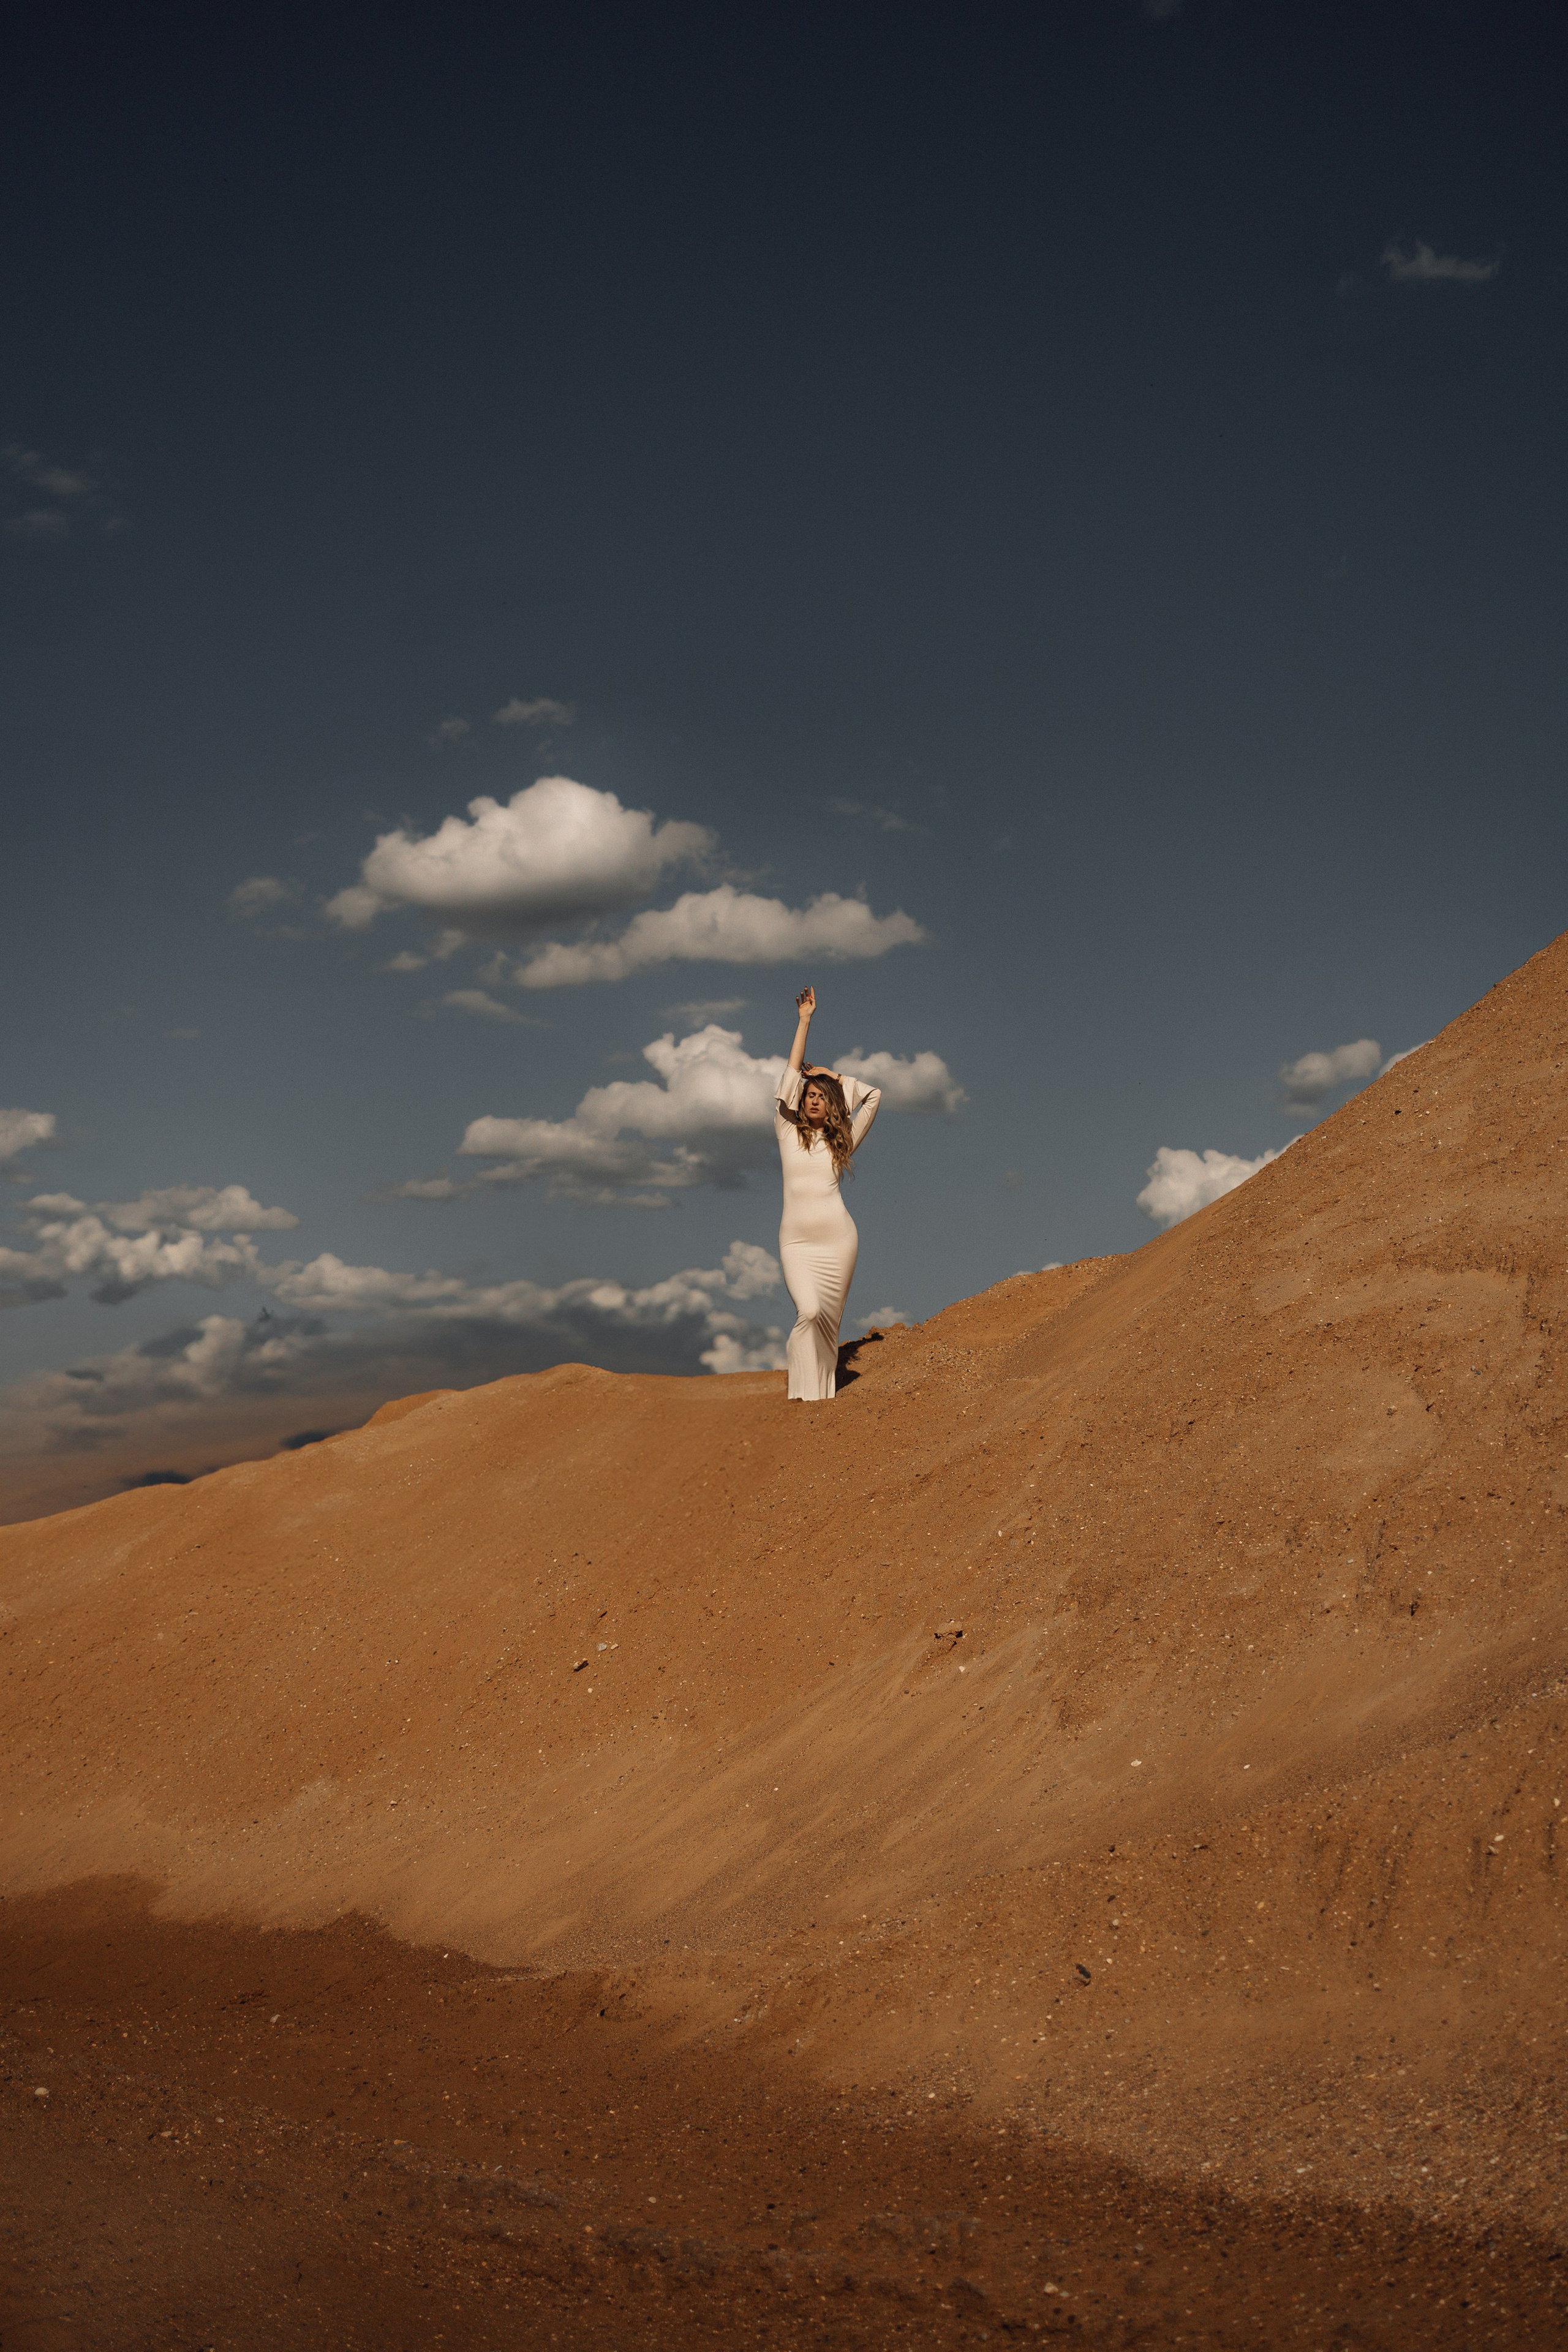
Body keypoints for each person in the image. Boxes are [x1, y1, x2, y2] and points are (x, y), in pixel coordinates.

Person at [774, 986, 882, 1400]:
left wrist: (833, 1076)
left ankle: (822, 1399)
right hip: (797, 1242)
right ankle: (802, 1397)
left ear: (830, 1102)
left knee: (828, 1323)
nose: (815, 1100)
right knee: (810, 1312)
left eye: (821, 1096)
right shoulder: (786, 1132)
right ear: (800, 1104)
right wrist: (804, 1021)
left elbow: (873, 1095)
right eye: (809, 1095)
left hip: (839, 1241)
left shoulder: (841, 1142)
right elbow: (789, 1076)